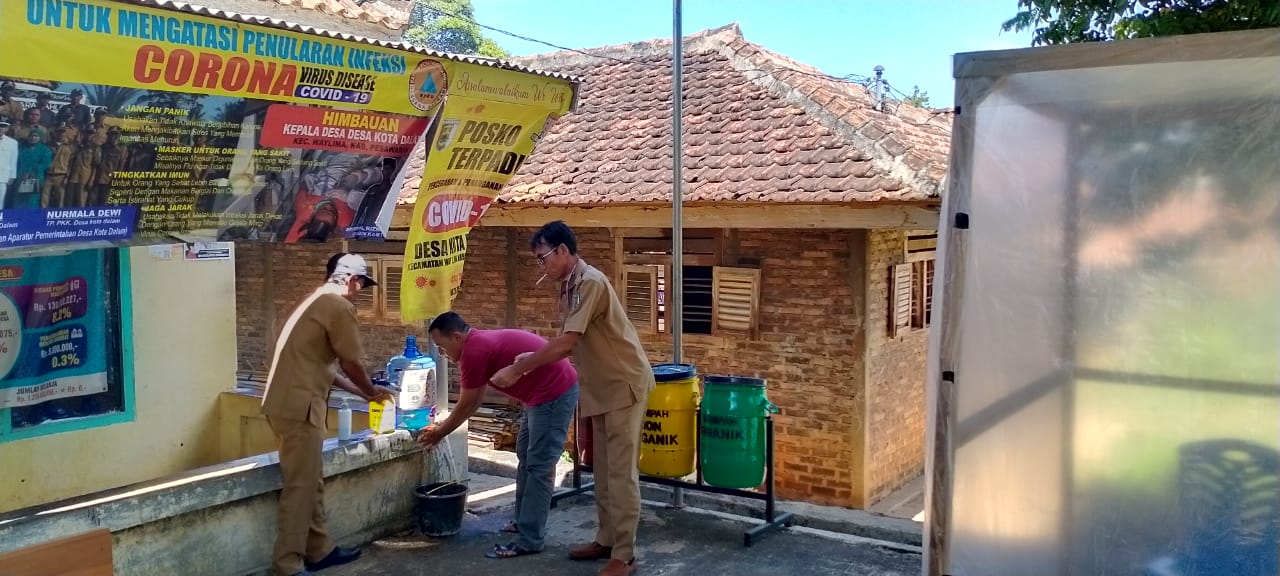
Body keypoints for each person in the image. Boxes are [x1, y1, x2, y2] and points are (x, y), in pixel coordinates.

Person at [493, 221, 655, 576]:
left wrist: (519, 370)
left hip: (623, 385)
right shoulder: (570, 286)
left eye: (543, 258)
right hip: (599, 388)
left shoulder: (590, 283)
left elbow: (567, 343)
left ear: (563, 251)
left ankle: (624, 555)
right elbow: (568, 342)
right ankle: (607, 539)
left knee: (621, 474)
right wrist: (530, 360)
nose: (542, 266)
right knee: (602, 471)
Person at [261, 252, 393, 576]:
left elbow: (325, 368)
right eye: (361, 285)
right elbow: (352, 362)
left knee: (310, 481)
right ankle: (287, 565)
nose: (359, 292)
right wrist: (374, 391)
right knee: (300, 489)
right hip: (300, 408)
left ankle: (319, 550)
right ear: (352, 280)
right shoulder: (338, 305)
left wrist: (363, 393)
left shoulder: (313, 301)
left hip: (285, 405)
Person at [418, 312, 580, 561]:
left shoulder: (473, 352)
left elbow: (469, 404)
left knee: (539, 466)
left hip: (554, 393)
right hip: (537, 396)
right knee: (525, 456)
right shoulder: (475, 345)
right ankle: (522, 521)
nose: (442, 353)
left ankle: (529, 540)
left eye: (442, 346)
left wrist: (440, 432)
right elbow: (473, 399)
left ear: (458, 337)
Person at [0, 120, 16, 209]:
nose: (1, 128)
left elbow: (13, 160)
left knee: (0, 200)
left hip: (3, 176)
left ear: (7, 128)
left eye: (3, 126)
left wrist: (12, 176)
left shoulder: (13, 143)